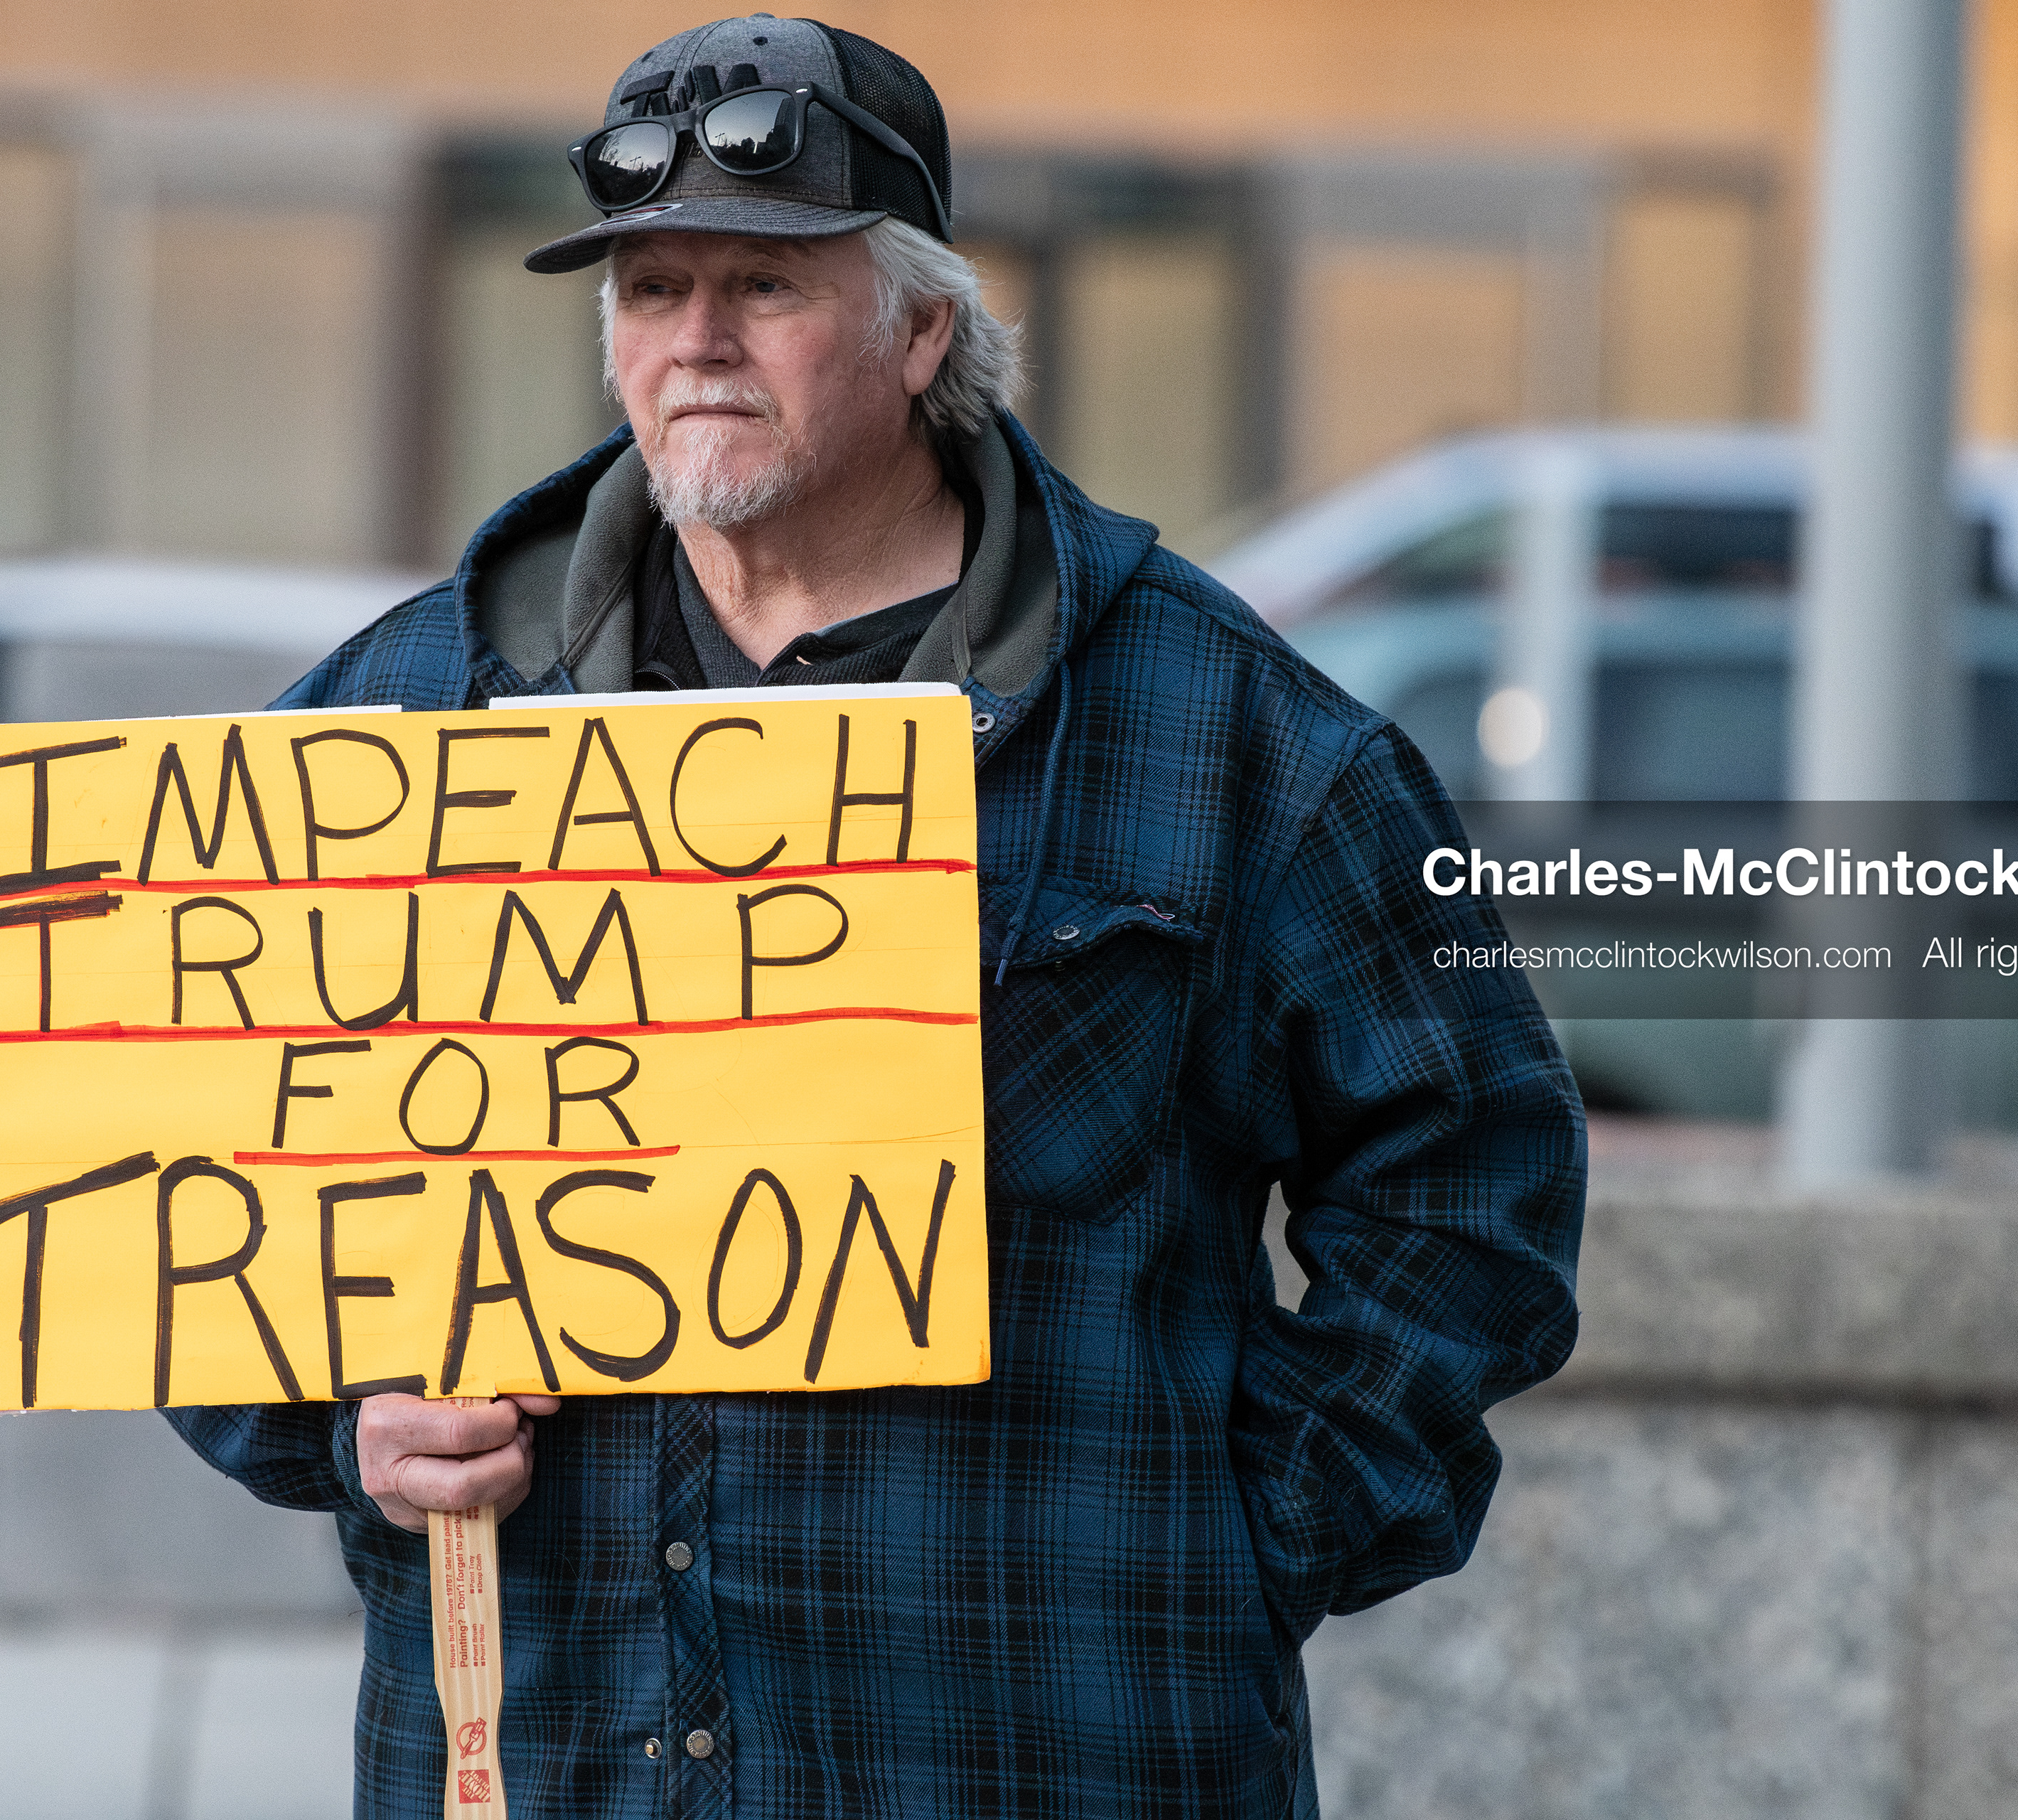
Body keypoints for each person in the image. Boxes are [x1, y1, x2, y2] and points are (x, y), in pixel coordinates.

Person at [166, 16, 1583, 1817]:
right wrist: (344, 1420)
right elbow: (194, 1191)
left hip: (1046, 1754)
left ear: (926, 332)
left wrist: (1246, 1542)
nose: (695, 337)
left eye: (765, 281)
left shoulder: (1234, 734)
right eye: (650, 284)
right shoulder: (390, 727)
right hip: (550, 1756)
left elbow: (1476, 1174)